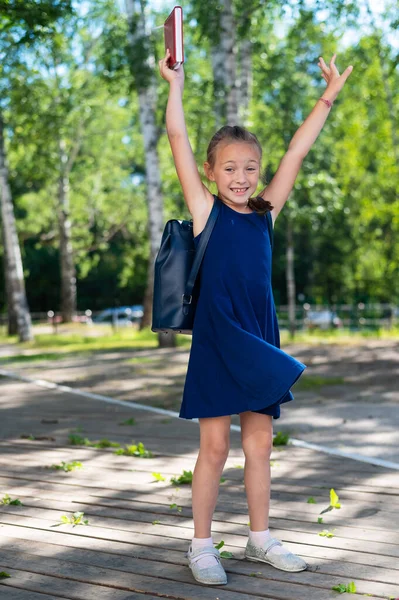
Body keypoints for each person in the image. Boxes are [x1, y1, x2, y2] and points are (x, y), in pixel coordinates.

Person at [158, 47, 353, 586]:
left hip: (260, 338)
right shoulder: (206, 212)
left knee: (260, 444)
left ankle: (260, 537)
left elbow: (296, 152)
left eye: (249, 168)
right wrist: (174, 85)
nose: (240, 177)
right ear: (211, 172)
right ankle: (200, 546)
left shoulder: (266, 214)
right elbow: (178, 137)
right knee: (215, 447)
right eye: (229, 168)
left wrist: (326, 99)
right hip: (220, 341)